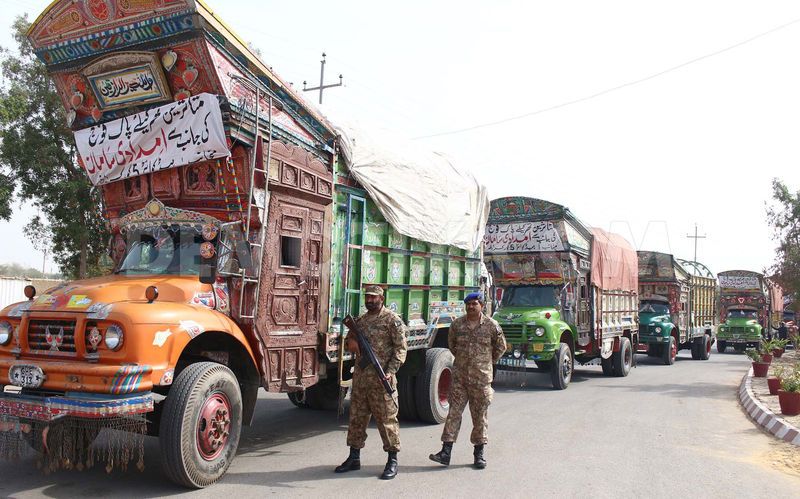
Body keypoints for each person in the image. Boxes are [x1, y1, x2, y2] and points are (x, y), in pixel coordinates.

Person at [335, 285, 407, 480]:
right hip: (361, 380)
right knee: (357, 419)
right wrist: (352, 340)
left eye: (374, 297)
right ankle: (354, 457)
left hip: (381, 379)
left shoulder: (392, 320)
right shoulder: (361, 320)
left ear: (381, 299)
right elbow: (349, 338)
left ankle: (392, 460)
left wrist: (390, 372)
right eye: (367, 297)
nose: (370, 300)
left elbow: (401, 349)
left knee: (387, 421)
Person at [429, 292, 506, 469]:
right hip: (460, 379)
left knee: (479, 417)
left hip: (481, 380)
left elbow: (501, 347)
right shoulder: (457, 325)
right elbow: (452, 345)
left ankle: (478, 454)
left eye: (474, 304)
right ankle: (445, 452)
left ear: (481, 306)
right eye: (468, 304)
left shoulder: (491, 325)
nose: (471, 307)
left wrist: (486, 362)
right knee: (453, 414)